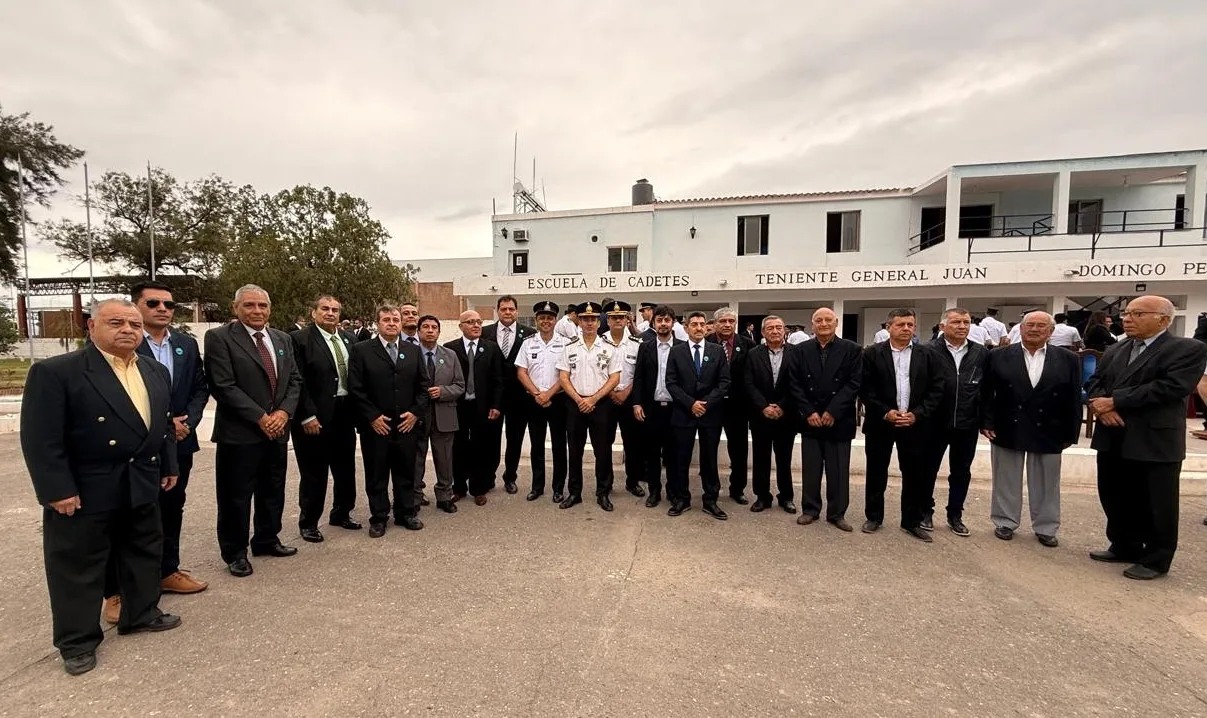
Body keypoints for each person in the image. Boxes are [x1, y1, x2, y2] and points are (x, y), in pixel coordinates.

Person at [21, 299, 182, 676]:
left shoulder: (155, 371)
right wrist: (56, 488)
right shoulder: (57, 372)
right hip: (86, 486)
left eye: (134, 324)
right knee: (78, 567)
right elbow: (41, 439)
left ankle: (140, 613)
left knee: (143, 551)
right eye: (116, 322)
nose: (128, 329)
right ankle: (77, 641)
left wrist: (168, 466)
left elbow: (163, 426)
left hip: (141, 478)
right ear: (92, 327)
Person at [102, 282, 209, 627]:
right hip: (136, 445)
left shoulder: (185, 344)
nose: (162, 308)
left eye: (168, 303)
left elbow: (199, 388)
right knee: (122, 515)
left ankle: (167, 570)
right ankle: (115, 590)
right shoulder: (123, 346)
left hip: (180, 440)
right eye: (153, 303)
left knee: (171, 507)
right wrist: (165, 423)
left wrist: (186, 423)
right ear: (137, 307)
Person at [1086, 295, 1207, 579]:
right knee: (1114, 494)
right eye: (1126, 313)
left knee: (1157, 501)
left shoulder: (1186, 349)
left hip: (1154, 438)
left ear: (1164, 319)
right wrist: (1099, 406)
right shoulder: (1118, 348)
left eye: (1138, 314)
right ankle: (1123, 544)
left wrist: (1115, 401)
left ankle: (1156, 558)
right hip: (1114, 434)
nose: (1127, 319)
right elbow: (1095, 382)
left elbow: (1171, 387)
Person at [205, 284, 302, 577]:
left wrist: (284, 412)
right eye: (249, 305)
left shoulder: (281, 338)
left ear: (269, 309)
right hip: (240, 433)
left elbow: (294, 380)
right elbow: (223, 385)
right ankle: (235, 552)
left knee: (272, 489)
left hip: (277, 430)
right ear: (236, 308)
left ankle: (266, 539)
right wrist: (261, 417)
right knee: (236, 495)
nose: (257, 311)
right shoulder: (219, 338)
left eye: (262, 306)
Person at [981, 311, 1081, 548]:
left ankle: (1046, 527)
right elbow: (987, 392)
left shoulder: (1067, 358)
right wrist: (986, 421)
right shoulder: (998, 356)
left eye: (1041, 326)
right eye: (1030, 325)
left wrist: (1071, 432)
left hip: (1050, 427)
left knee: (1047, 481)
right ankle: (1005, 521)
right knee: (1006, 477)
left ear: (1051, 331)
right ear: (1021, 329)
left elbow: (1074, 397)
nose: (1034, 329)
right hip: (1008, 424)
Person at [859, 308, 944, 541]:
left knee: (914, 474)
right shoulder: (872, 354)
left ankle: (911, 521)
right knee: (877, 472)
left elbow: (937, 389)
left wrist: (917, 414)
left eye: (910, 325)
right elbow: (865, 389)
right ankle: (874, 517)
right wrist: (885, 412)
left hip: (915, 425)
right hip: (881, 423)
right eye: (901, 325)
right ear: (889, 327)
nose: (906, 329)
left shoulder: (927, 354)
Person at [347, 304, 430, 536]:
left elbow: (423, 387)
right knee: (377, 474)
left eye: (395, 319)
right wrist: (372, 416)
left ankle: (406, 514)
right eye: (387, 320)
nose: (392, 323)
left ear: (401, 323)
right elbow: (356, 388)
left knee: (405, 472)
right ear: (378, 323)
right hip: (377, 427)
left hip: (406, 425)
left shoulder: (413, 350)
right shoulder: (362, 350)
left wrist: (415, 413)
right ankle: (379, 517)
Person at [290, 295, 362, 544]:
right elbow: (296, 381)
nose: (330, 313)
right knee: (314, 472)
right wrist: (306, 414)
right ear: (314, 313)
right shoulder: (299, 340)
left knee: (345, 469)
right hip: (315, 417)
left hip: (344, 413)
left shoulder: (349, 339)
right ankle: (309, 522)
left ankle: (342, 513)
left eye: (335, 309)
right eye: (325, 309)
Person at [792, 307, 862, 531]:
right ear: (812, 325)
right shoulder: (800, 350)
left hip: (838, 419)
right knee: (811, 468)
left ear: (836, 322)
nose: (823, 324)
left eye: (828, 320)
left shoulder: (852, 349)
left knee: (838, 470)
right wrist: (809, 412)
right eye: (819, 320)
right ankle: (810, 509)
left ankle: (837, 513)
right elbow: (794, 383)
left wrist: (833, 411)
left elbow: (854, 383)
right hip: (810, 418)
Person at [925, 308, 989, 537]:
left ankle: (955, 514)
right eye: (956, 322)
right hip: (934, 423)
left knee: (961, 471)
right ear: (943, 326)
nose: (962, 326)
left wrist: (986, 421)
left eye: (966, 322)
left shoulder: (980, 353)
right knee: (928, 469)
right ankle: (925, 511)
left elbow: (987, 390)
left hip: (966, 423)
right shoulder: (928, 351)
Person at [665, 311, 731, 519]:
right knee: (680, 458)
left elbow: (724, 382)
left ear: (707, 327)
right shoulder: (676, 352)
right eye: (694, 324)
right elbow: (671, 382)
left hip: (710, 414)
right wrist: (691, 403)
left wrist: (707, 403)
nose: (699, 328)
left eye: (702, 324)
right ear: (686, 328)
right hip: (684, 413)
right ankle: (681, 498)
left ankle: (710, 499)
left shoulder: (717, 351)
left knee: (709, 458)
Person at [556, 301, 621, 510]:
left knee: (602, 451)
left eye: (593, 319)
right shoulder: (569, 347)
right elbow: (563, 377)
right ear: (579, 321)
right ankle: (575, 493)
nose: (589, 323)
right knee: (574, 451)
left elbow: (615, 378)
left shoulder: (608, 348)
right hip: (575, 404)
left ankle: (603, 493)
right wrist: (578, 399)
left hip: (600, 405)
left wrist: (593, 399)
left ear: (598, 321)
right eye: (585, 319)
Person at [445, 310, 505, 505]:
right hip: (458, 407)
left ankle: (479, 488)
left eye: (479, 322)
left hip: (483, 407)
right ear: (461, 326)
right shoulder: (450, 349)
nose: (476, 325)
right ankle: (459, 487)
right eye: (470, 322)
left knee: (481, 448)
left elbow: (498, 380)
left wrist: (496, 405)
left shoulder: (491, 348)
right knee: (458, 447)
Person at [515, 301, 569, 502]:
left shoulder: (565, 343)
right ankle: (537, 486)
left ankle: (558, 488)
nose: (546, 321)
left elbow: (567, 374)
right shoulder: (528, 343)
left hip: (558, 401)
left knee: (558, 445)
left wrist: (549, 394)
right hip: (534, 401)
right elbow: (521, 372)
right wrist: (537, 394)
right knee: (536, 445)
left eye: (550, 318)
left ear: (555, 320)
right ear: (536, 321)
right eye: (542, 318)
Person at [744, 315, 797, 514]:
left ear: (785, 330)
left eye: (778, 327)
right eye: (770, 328)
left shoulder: (796, 353)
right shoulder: (753, 353)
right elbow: (748, 383)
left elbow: (797, 384)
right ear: (763, 332)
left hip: (786, 415)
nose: (775, 331)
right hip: (761, 416)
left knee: (784, 458)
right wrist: (764, 406)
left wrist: (782, 406)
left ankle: (786, 497)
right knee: (761, 458)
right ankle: (762, 496)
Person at [631, 304, 682, 508]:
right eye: (659, 320)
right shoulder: (645, 346)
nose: (663, 324)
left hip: (675, 408)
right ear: (654, 323)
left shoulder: (682, 347)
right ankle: (654, 491)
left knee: (673, 454)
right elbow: (639, 378)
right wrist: (636, 403)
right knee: (651, 453)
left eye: (667, 320)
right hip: (651, 409)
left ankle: (672, 490)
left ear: (673, 322)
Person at [482, 295, 533, 494]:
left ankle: (510, 477)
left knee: (515, 439)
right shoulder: (485, 332)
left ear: (517, 311)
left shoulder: (529, 334)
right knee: (491, 439)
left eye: (511, 309)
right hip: (492, 397)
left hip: (519, 397)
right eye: (504, 309)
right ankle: (488, 477)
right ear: (498, 310)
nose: (508, 312)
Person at [414, 314, 464, 512]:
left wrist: (443, 392)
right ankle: (415, 497)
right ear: (418, 331)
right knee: (415, 460)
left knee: (444, 459)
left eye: (434, 327)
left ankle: (444, 496)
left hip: (444, 415)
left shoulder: (450, 355)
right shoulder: (410, 354)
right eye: (425, 327)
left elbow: (460, 386)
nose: (430, 330)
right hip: (417, 417)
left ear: (439, 331)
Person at [707, 307, 757, 505]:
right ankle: (711, 488)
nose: (727, 325)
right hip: (712, 405)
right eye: (723, 321)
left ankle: (737, 488)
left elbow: (752, 376)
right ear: (716, 323)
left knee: (739, 450)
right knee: (709, 448)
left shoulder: (748, 345)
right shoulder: (707, 342)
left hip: (738, 406)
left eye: (731, 321)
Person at [602, 300, 647, 497]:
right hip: (606, 398)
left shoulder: (638, 344)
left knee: (633, 443)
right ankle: (605, 483)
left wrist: (626, 392)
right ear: (608, 320)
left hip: (629, 398)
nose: (618, 320)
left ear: (628, 319)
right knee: (604, 442)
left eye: (621, 317)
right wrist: (612, 392)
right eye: (613, 317)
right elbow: (598, 372)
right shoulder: (598, 341)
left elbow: (640, 374)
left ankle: (632, 481)